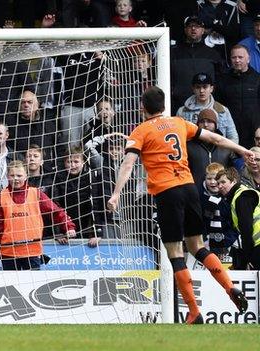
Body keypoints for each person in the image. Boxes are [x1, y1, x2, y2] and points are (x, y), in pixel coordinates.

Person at [107, 86, 251, 324]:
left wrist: (115, 194)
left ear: (142, 107)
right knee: (197, 246)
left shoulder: (140, 131)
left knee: (175, 252)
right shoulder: (179, 122)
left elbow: (128, 164)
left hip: (167, 193)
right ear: (163, 106)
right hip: (189, 188)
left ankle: (194, 312)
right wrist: (241, 149)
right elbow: (214, 138)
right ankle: (229, 287)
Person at [0, 160, 77, 270]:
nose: (15, 178)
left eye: (19, 175)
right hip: (8, 253)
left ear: (26, 176)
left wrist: (68, 227)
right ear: (7, 176)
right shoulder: (0, 197)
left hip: (32, 251)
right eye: (12, 175)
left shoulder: (36, 194)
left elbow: (56, 212)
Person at [216, 167, 260, 270]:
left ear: (234, 181)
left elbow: (246, 227)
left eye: (223, 182)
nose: (220, 186)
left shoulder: (243, 196)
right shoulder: (242, 194)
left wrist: (248, 255)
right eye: (218, 183)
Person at [177, 73, 238, 143]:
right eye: (198, 87)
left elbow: (233, 137)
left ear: (211, 88)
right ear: (193, 89)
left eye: (205, 87)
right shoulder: (182, 112)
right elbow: (178, 137)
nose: (201, 91)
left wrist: (224, 152)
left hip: (218, 151)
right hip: (192, 152)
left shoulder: (222, 111)